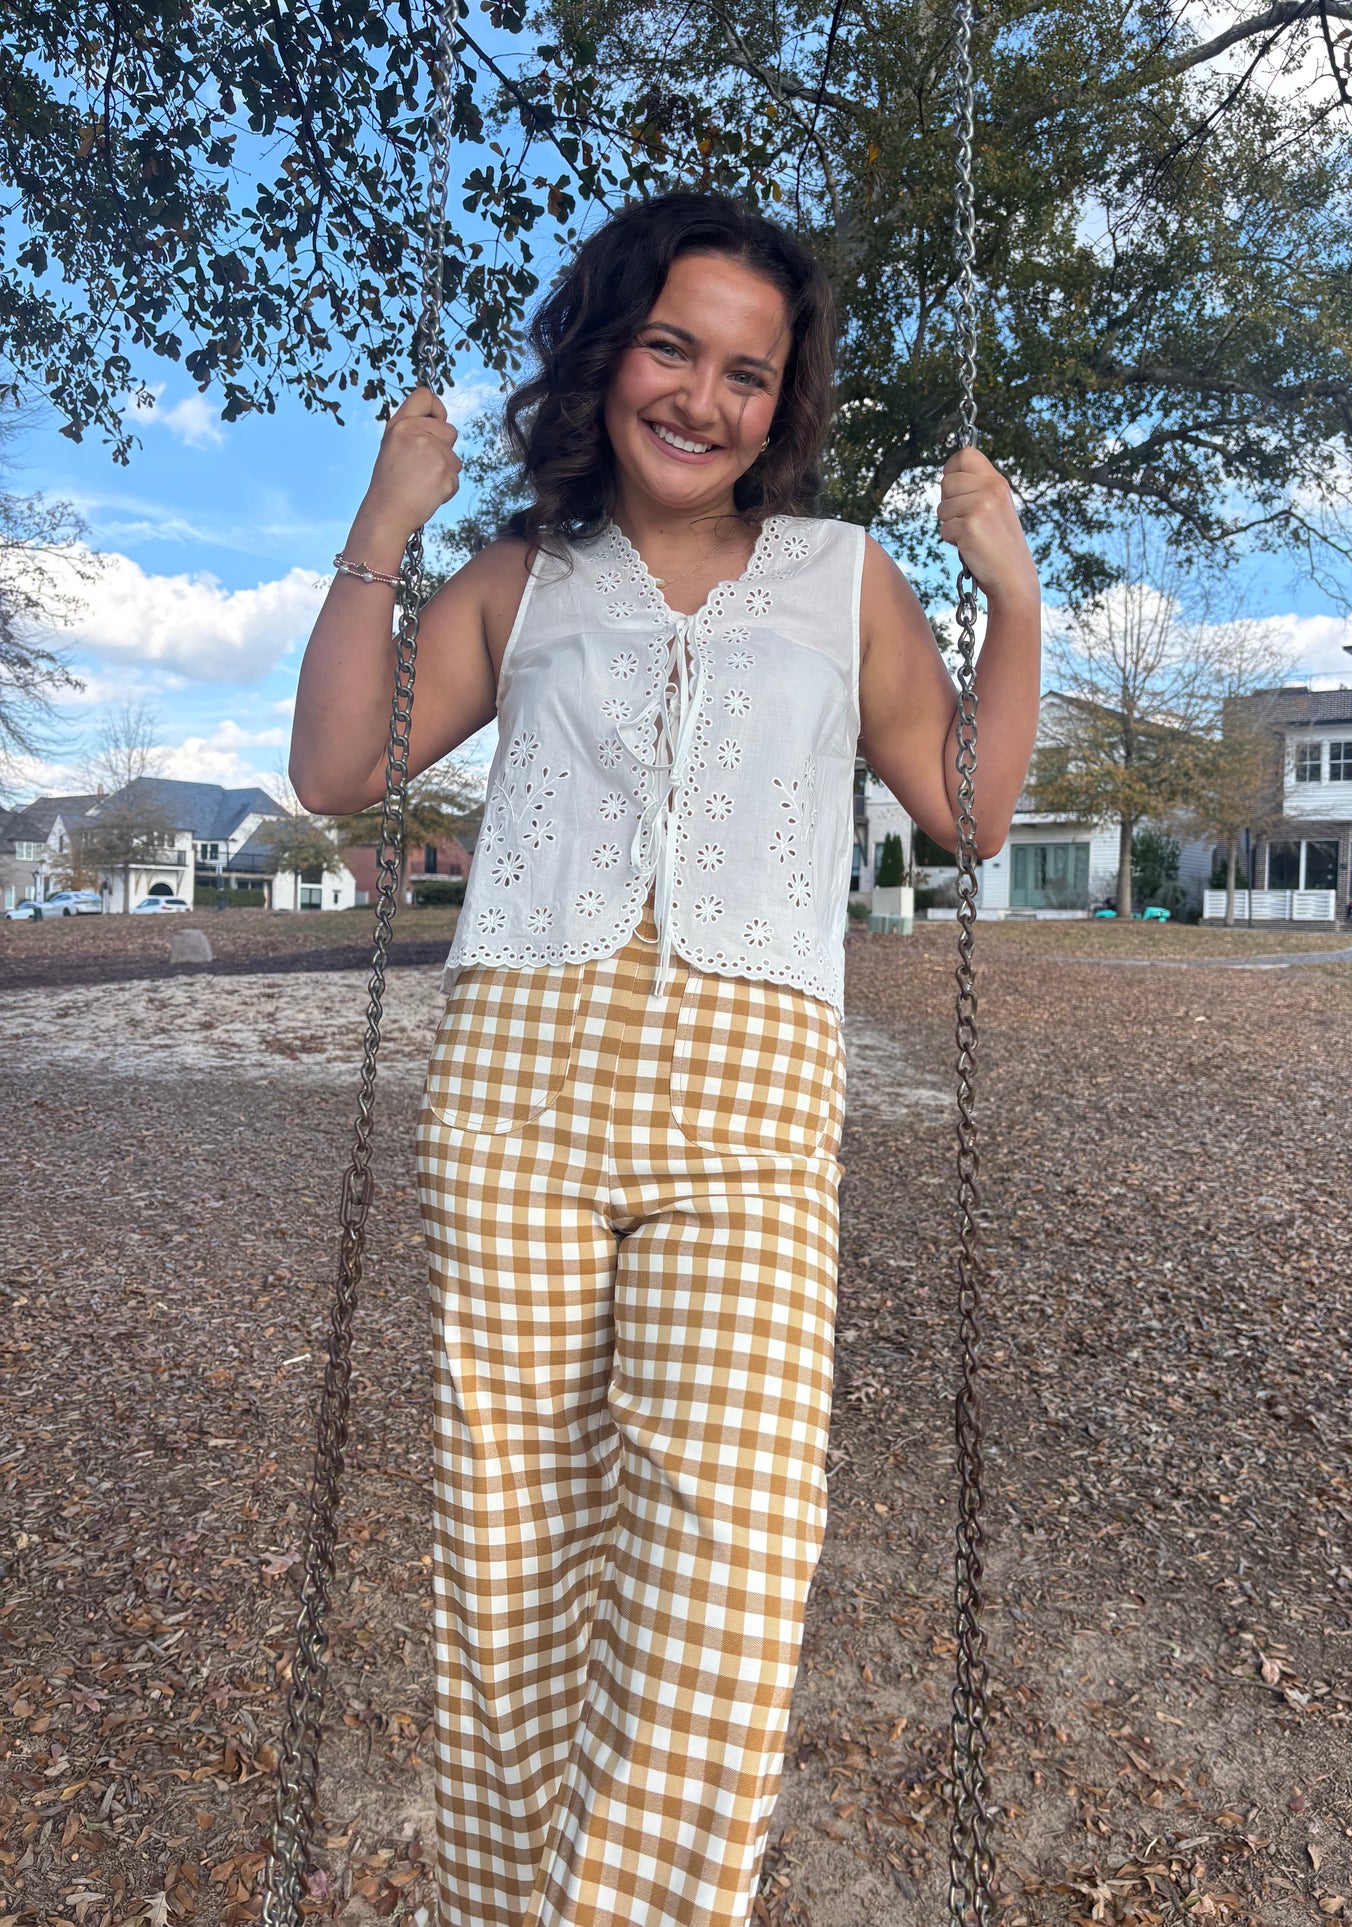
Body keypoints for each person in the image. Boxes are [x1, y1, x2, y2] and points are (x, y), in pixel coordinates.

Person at [290, 190, 1040, 1927]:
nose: (704, 399)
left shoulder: (841, 575)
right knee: (514, 1567)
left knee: (726, 1570)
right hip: (516, 1084)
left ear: (786, 402)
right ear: (605, 352)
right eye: (672, 349)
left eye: (749, 373)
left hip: (752, 1095)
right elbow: (339, 765)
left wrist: (1006, 596)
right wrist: (382, 530)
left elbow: (970, 812)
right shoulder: (523, 579)